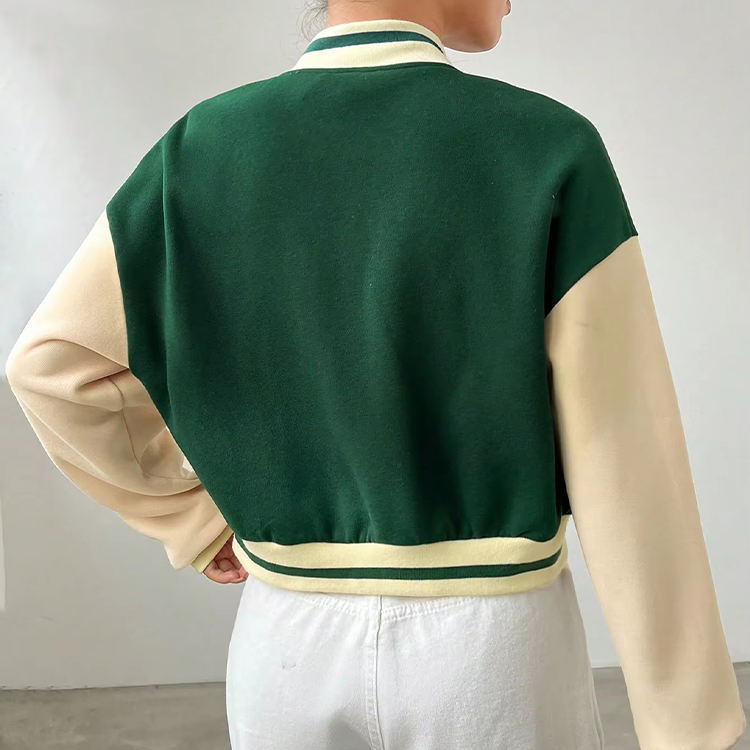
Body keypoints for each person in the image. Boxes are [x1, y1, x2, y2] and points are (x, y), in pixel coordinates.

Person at [5, 1, 746, 748]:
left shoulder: (200, 147)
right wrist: (691, 729)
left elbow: (50, 368)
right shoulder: (547, 146)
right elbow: (627, 458)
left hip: (285, 641)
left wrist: (193, 518)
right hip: (492, 645)